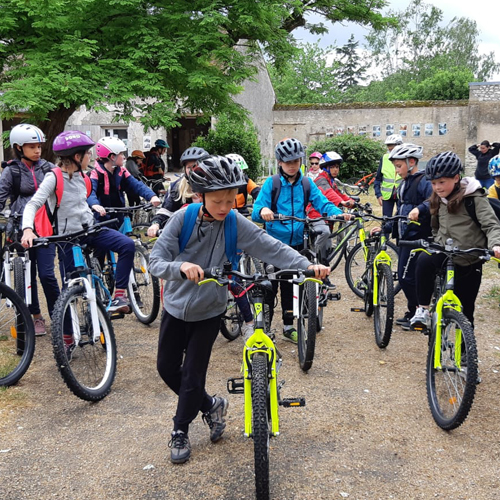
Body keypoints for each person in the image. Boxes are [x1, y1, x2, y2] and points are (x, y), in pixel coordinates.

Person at [148, 155, 330, 464]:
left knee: (192, 375)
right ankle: (211, 405)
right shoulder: (183, 219)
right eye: (218, 200)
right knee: (166, 368)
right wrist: (181, 267)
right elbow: (156, 261)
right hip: (176, 307)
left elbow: (269, 246)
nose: (224, 207)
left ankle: (180, 430)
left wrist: (307, 265)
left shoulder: (234, 221)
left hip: (210, 310)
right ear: (199, 196)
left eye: (231, 200)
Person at [21, 131, 136, 314]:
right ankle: (66, 336)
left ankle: (119, 295)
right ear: (77, 156)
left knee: (127, 245)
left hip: (90, 230)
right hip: (68, 238)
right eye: (88, 153)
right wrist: (27, 229)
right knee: (69, 291)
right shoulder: (54, 177)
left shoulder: (84, 177)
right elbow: (33, 204)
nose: (91, 156)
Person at [252, 138, 348, 343]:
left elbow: (322, 202)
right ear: (279, 162)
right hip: (274, 244)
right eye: (288, 162)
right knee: (270, 286)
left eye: (296, 160)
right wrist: (264, 210)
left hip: (296, 243)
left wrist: (339, 213)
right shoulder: (272, 184)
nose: (292, 165)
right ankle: (265, 327)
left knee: (290, 286)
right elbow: (255, 211)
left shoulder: (306, 183)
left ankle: (288, 326)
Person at [410, 152, 500, 330]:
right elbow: (435, 225)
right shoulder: (437, 199)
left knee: (466, 312)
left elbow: (491, 224)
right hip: (445, 252)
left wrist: (496, 244)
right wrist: (435, 240)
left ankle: (466, 353)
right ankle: (423, 309)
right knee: (423, 260)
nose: (437, 187)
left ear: (456, 178)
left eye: (442, 182)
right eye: (434, 183)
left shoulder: (474, 198)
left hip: (470, 257)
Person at [0, 124, 59, 335]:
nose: (37, 150)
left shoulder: (48, 168)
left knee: (47, 274)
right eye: (31, 146)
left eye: (39, 146)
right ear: (18, 147)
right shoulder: (11, 171)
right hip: (21, 229)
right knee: (28, 275)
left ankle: (59, 315)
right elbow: (0, 198)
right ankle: (36, 317)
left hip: (45, 228)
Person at [385, 143, 433, 330]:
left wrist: (420, 209)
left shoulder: (424, 182)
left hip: (418, 235)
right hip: (405, 235)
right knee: (407, 277)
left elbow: (433, 202)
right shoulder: (404, 184)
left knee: (408, 278)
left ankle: (418, 312)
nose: (397, 171)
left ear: (411, 162)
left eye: (399, 166)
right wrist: (387, 227)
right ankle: (412, 311)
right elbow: (401, 210)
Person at [88, 137, 161, 227]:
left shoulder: (121, 171)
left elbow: (136, 184)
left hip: (119, 215)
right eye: (121, 153)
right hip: (101, 218)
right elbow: (90, 192)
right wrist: (95, 204)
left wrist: (151, 196)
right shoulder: (95, 173)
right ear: (112, 157)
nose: (124, 157)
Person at [146, 146, 209, 236]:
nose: (193, 170)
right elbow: (167, 210)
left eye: (196, 166)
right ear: (184, 169)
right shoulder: (177, 187)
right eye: (189, 167)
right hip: (187, 236)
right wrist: (155, 224)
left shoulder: (214, 186)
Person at [374, 134, 404, 217]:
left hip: (402, 195)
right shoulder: (384, 158)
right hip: (386, 196)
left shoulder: (405, 158)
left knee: (401, 219)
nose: (390, 149)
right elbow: (378, 179)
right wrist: (378, 195)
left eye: (392, 147)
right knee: (386, 221)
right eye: (389, 147)